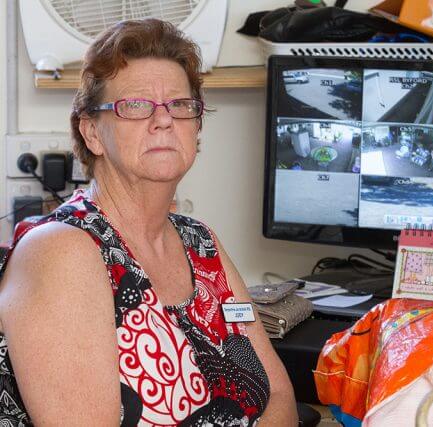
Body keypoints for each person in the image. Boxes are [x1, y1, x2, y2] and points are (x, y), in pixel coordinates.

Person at [0, 19, 296, 426]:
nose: (164, 120)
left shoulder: (201, 242)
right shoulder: (59, 251)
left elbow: (277, 395)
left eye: (180, 105)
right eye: (135, 106)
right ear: (92, 134)